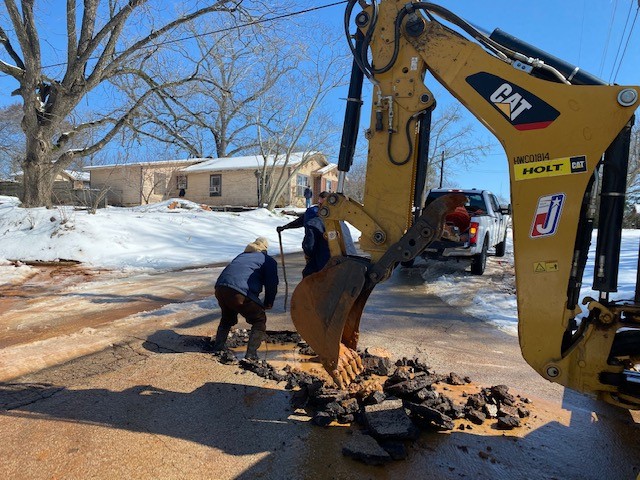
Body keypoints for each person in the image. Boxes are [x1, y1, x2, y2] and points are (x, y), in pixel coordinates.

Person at [212, 236, 279, 360]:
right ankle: (251, 355)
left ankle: (218, 347)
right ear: (264, 249)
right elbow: (272, 284)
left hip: (220, 288)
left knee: (227, 318)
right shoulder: (267, 260)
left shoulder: (241, 256)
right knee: (259, 320)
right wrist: (268, 302)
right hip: (239, 291)